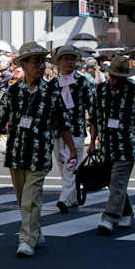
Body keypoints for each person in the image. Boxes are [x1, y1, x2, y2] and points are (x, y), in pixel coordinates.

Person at [0, 42, 77, 258]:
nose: (41, 66)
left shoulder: (52, 91)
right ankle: (35, 230)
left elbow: (63, 123)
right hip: (16, 153)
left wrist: (72, 149)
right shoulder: (14, 91)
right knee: (22, 198)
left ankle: (26, 239)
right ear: (23, 65)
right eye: (35, 61)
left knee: (31, 198)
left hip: (39, 154)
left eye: (42, 61)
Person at [87, 55, 135, 234]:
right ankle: (127, 211)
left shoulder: (134, 91)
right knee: (112, 182)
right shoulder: (100, 90)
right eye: (112, 76)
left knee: (117, 181)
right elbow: (94, 119)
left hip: (127, 144)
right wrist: (92, 142)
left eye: (119, 78)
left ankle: (109, 218)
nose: (114, 80)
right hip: (106, 144)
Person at [52, 45, 92, 214]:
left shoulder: (82, 82)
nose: (69, 62)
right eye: (66, 58)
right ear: (58, 62)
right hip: (57, 131)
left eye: (72, 58)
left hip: (76, 129)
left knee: (71, 164)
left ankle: (64, 198)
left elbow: (92, 106)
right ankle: (74, 197)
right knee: (63, 165)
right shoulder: (53, 83)